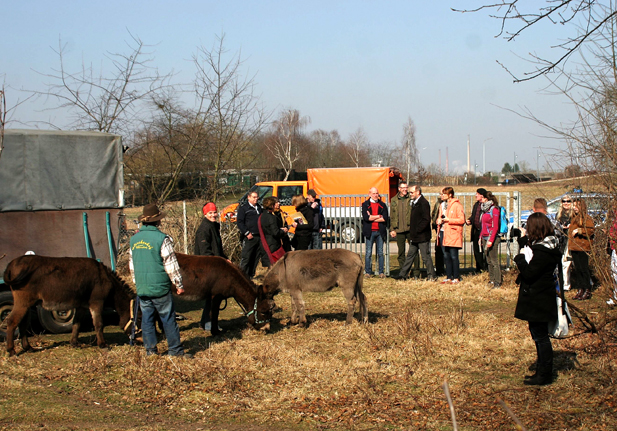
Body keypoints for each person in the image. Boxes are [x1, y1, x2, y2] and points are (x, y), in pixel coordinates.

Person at [129, 203, 190, 357]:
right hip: (160, 287)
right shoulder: (163, 239)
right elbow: (171, 265)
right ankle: (175, 350)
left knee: (147, 319)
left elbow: (132, 265)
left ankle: (151, 351)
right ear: (158, 221)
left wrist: (137, 282)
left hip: (143, 287)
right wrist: (179, 284)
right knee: (168, 318)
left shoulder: (134, 240)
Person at [513, 212, 561, 386]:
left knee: (541, 338)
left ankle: (545, 374)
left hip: (539, 299)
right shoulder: (547, 246)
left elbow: (530, 272)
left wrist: (519, 259)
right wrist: (523, 242)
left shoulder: (543, 251)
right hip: (541, 296)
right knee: (538, 336)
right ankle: (542, 371)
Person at [194, 202, 227, 331]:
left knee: (213, 296)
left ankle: (206, 320)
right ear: (205, 214)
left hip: (215, 266)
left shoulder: (214, 226)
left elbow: (217, 248)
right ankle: (208, 322)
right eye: (210, 213)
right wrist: (218, 262)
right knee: (212, 295)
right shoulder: (204, 229)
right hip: (206, 268)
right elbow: (205, 253)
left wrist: (225, 259)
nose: (213, 215)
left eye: (214, 212)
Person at [395, 185, 436, 280]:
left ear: (418, 192)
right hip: (415, 236)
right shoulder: (415, 203)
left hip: (422, 236)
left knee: (425, 257)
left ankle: (432, 275)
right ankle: (403, 275)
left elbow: (426, 219)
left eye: (412, 192)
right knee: (410, 256)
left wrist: (418, 230)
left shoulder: (423, 203)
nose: (410, 194)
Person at [436, 187, 465, 284]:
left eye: (443, 194)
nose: (441, 196)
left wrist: (449, 220)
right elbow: (440, 217)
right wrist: (438, 220)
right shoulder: (442, 205)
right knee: (446, 255)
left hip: (453, 233)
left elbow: (461, 220)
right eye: (441, 194)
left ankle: (456, 277)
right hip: (443, 232)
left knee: (453, 256)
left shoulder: (457, 205)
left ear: (450, 195)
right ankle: (448, 276)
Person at [237, 191, 269, 279]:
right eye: (254, 197)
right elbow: (239, 222)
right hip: (250, 236)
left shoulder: (259, 208)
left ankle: (251, 275)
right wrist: (246, 232)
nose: (256, 199)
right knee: (246, 257)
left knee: (256, 256)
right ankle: (241, 276)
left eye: (257, 197)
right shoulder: (243, 209)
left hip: (259, 236)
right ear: (249, 197)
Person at [569, 198, 595, 300]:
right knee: (578, 269)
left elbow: (591, 231)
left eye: (577, 206)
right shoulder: (574, 218)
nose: (575, 208)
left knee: (584, 269)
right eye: (574, 206)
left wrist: (579, 231)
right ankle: (580, 289)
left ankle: (587, 289)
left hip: (583, 247)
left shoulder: (586, 218)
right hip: (574, 247)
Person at [362, 187, 389, 278]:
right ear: (369, 194)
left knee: (380, 253)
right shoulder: (365, 205)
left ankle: (381, 272)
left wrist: (372, 217)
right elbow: (366, 218)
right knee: (368, 253)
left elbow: (384, 218)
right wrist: (378, 216)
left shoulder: (382, 205)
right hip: (370, 232)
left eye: (377, 193)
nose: (375, 195)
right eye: (373, 193)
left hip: (380, 232)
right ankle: (368, 272)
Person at [480, 191, 503, 288]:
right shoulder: (485, 209)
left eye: (482, 198)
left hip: (492, 237)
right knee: (488, 260)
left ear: (486, 198)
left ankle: (497, 281)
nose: (480, 199)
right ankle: (492, 279)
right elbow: (483, 225)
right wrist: (480, 236)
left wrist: (491, 240)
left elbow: (495, 227)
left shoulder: (494, 210)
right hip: (484, 236)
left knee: (494, 260)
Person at [258, 196, 289, 264]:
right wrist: (283, 231)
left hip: (266, 243)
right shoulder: (271, 217)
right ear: (272, 206)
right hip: (273, 244)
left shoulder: (262, 216)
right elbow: (275, 232)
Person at [389, 182, 412, 273]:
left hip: (410, 229)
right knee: (401, 253)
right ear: (399, 189)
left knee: (413, 251)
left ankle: (415, 272)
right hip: (399, 230)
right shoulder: (394, 200)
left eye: (406, 187)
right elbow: (392, 216)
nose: (405, 189)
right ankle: (404, 272)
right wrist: (392, 229)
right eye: (403, 188)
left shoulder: (411, 198)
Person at [466, 188, 488, 273]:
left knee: (484, 250)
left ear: (482, 195)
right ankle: (479, 269)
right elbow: (474, 216)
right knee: (476, 251)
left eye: (477, 194)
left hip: (485, 231)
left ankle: (485, 268)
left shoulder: (486, 205)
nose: (476, 195)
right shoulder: (476, 205)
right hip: (476, 231)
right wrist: (469, 220)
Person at [556, 195, 573, 291]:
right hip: (562, 240)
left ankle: (567, 285)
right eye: (564, 201)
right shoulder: (558, 214)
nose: (566, 203)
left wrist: (571, 226)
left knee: (569, 262)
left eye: (568, 201)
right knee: (564, 262)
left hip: (572, 240)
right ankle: (565, 284)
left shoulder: (574, 214)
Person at [431, 196, 445, 276]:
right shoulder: (438, 203)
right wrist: (434, 222)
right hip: (438, 228)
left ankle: (448, 270)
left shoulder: (449, 204)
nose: (440, 195)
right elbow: (434, 213)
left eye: (442, 193)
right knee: (438, 249)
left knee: (446, 250)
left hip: (446, 229)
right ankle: (439, 269)